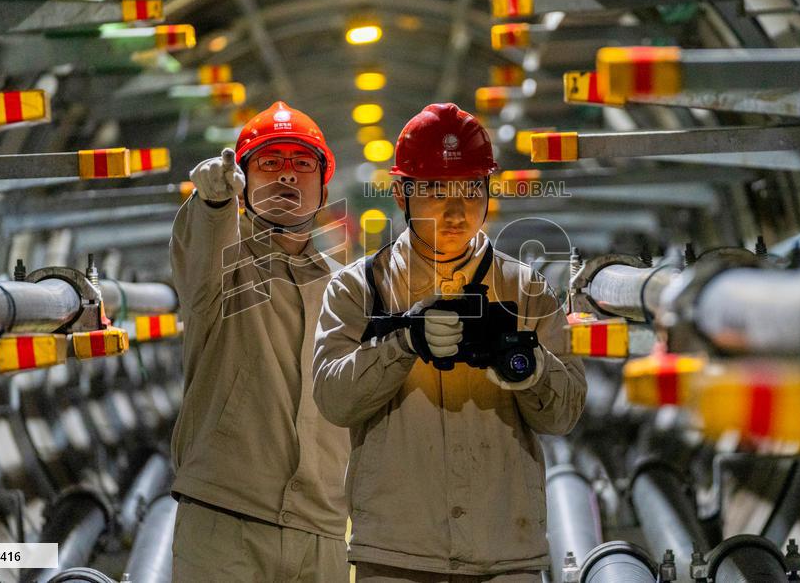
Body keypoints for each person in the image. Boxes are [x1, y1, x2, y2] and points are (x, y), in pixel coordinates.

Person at [312, 102, 587, 582]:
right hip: (398, 557)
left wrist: (531, 367)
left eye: (470, 190)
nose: (456, 211)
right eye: (437, 190)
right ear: (402, 192)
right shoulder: (360, 288)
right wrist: (402, 344)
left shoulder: (526, 289)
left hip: (506, 553)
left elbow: (563, 414)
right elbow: (334, 400)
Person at [169, 101, 350, 582]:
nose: (287, 176)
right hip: (226, 523)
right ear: (243, 183)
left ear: (324, 187)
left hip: (322, 532)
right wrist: (210, 203)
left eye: (302, 164)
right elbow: (200, 246)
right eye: (269, 163)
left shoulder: (346, 288)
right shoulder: (222, 267)